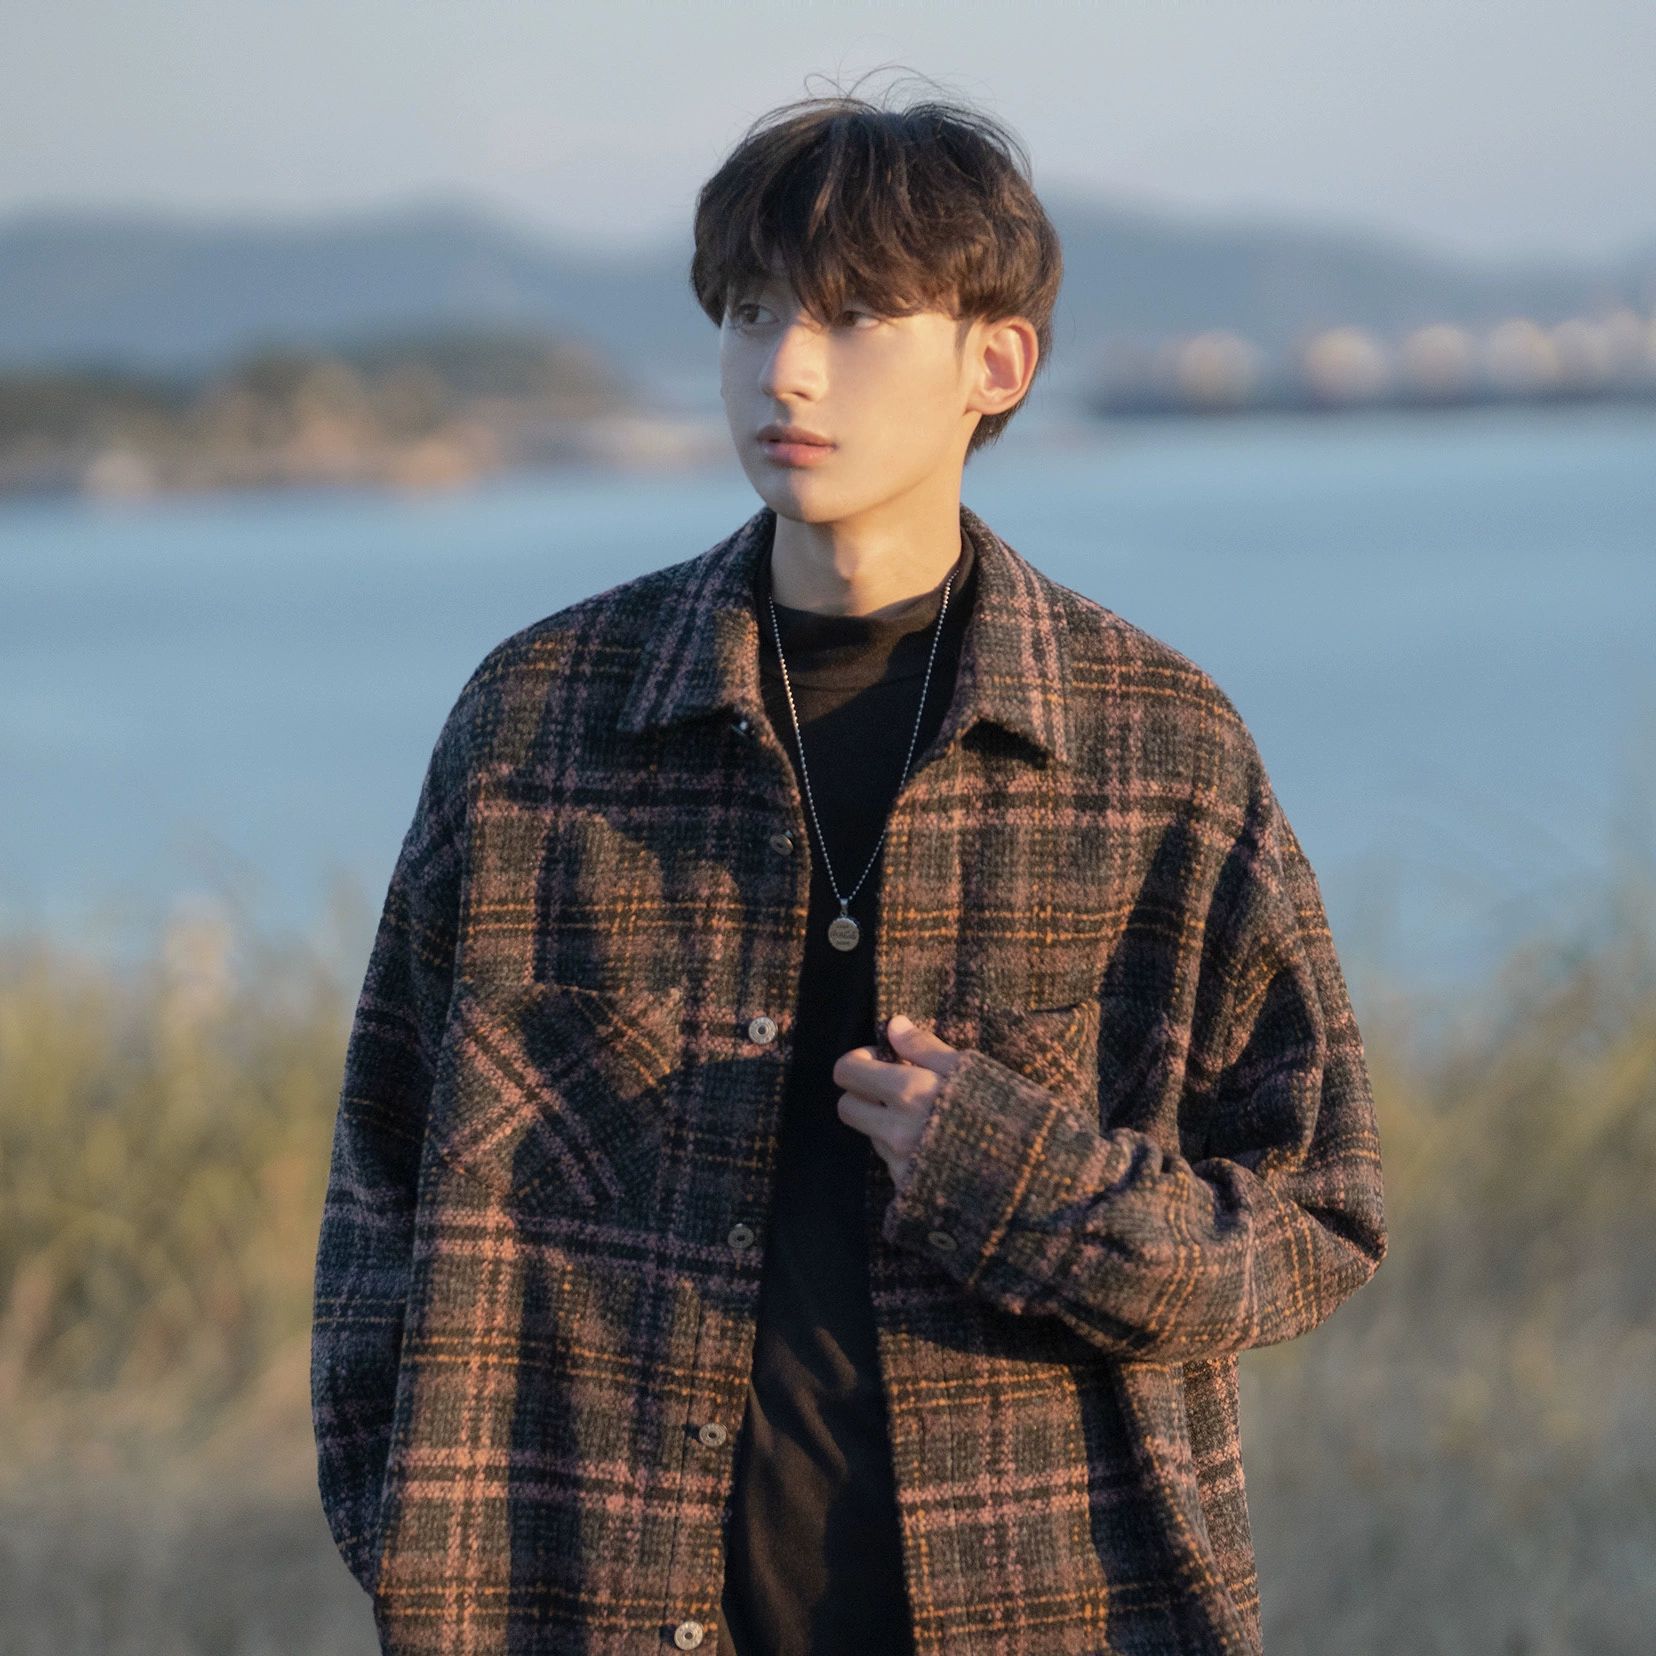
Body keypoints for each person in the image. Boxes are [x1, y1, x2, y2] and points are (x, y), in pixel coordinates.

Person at [311, 76, 1387, 1656]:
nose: (786, 369)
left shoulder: (1155, 751)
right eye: (752, 313)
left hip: (1046, 1611)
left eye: (856, 316)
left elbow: (1319, 1219)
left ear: (995, 362)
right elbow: (380, 1190)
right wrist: (418, 1551)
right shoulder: (542, 725)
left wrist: (1026, 1186)